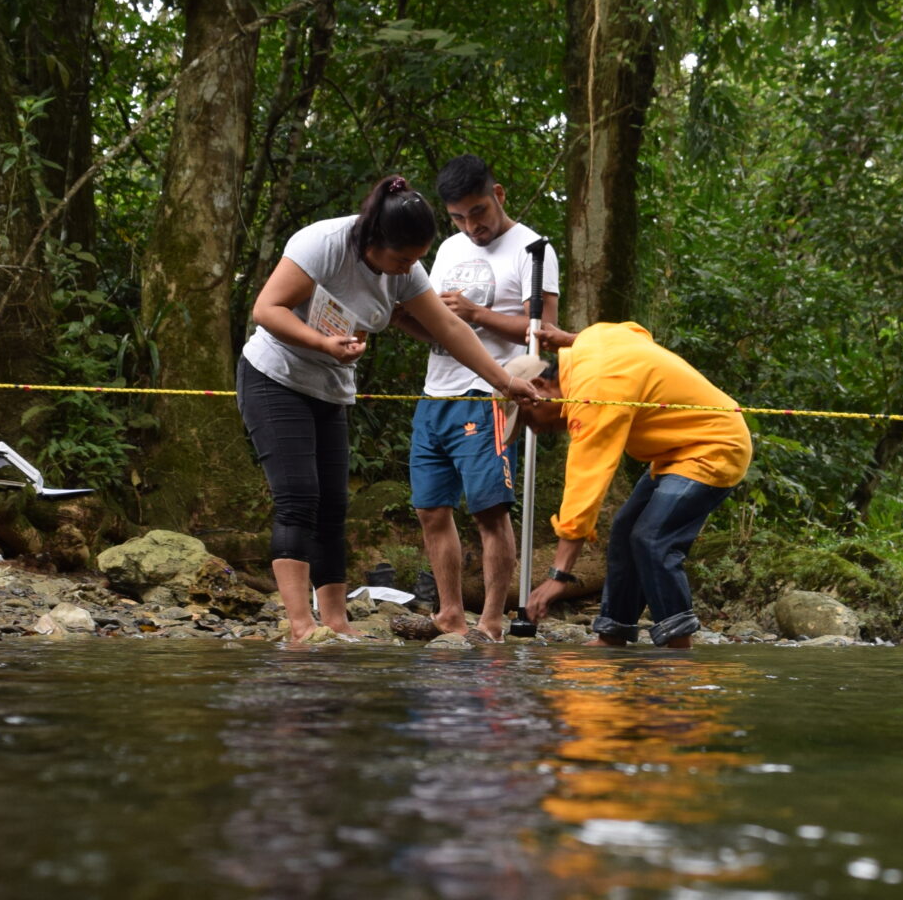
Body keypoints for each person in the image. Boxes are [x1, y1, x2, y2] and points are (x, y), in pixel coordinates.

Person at [240, 176, 537, 644]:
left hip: (331, 387)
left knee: (334, 505)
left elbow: (450, 330)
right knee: (300, 497)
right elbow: (266, 308)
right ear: (374, 240)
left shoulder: (404, 268)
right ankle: (301, 626)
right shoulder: (323, 244)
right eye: (402, 259)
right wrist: (322, 342)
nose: (408, 269)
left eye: (417, 259)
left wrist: (505, 382)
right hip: (275, 377)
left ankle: (336, 622)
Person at [397, 156, 558, 641]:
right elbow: (435, 327)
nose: (472, 226)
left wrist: (475, 313)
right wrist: (395, 316)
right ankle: (449, 612)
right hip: (436, 390)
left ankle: (490, 619)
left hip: (491, 390)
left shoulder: (532, 248)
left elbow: (544, 333)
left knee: (489, 509)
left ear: (499, 194)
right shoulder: (446, 249)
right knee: (430, 509)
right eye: (459, 217)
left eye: (479, 211)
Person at [513, 322, 751, 648]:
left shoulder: (592, 393)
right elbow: (635, 333)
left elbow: (585, 486)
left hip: (715, 446)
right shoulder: (590, 344)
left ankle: (678, 643)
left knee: (652, 537)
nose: (534, 432)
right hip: (674, 452)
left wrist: (558, 576)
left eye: (527, 420)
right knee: (625, 529)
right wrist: (568, 340)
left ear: (539, 386)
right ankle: (613, 633)